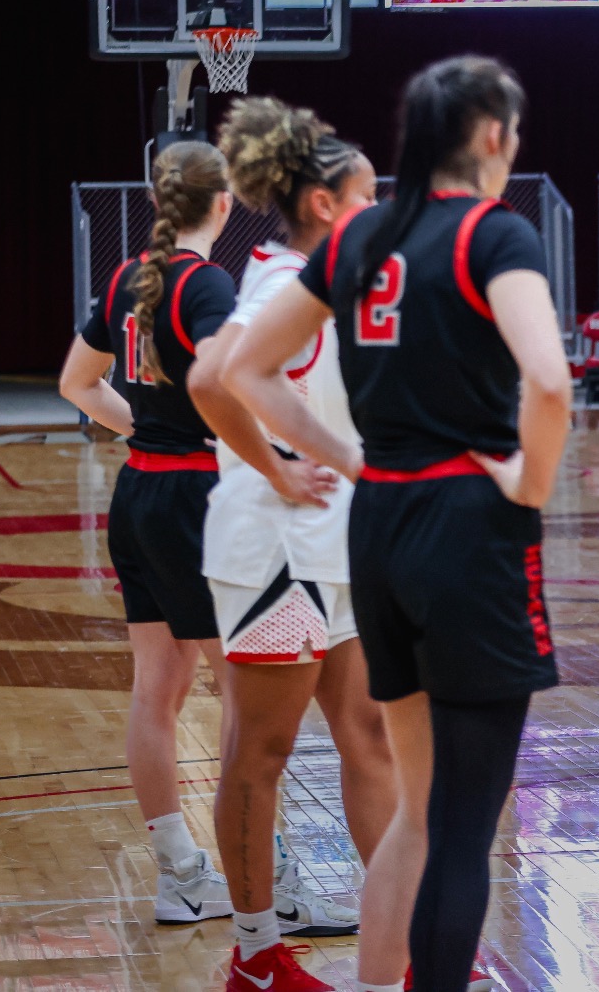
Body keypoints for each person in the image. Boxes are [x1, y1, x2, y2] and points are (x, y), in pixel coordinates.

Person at [227, 56, 570, 992]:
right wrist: (530, 485)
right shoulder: (494, 234)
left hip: (376, 524)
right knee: (463, 825)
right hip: (468, 524)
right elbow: (548, 377)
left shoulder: (360, 235)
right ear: (492, 136)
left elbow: (244, 372)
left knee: (421, 811)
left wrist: (344, 460)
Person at [186, 98, 395, 992]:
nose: (378, 207)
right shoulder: (280, 283)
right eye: (366, 194)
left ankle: (400, 936)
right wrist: (278, 466)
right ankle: (257, 953)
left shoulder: (332, 281)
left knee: (368, 734)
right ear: (324, 205)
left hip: (336, 544)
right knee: (259, 754)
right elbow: (211, 376)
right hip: (275, 553)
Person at [56, 141, 242, 928]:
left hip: (137, 489)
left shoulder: (128, 280)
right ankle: (267, 875)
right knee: (246, 695)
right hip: (198, 494)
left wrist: (144, 425)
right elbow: (227, 381)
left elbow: (74, 382)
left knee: (156, 689)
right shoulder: (207, 284)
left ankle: (181, 874)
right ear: (223, 204)